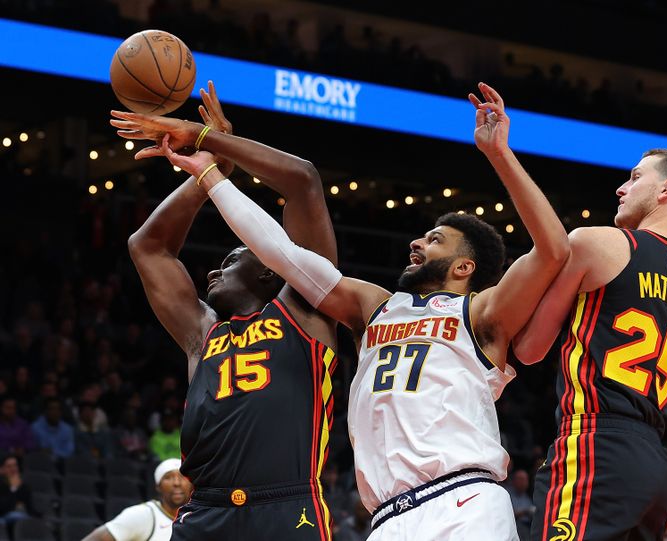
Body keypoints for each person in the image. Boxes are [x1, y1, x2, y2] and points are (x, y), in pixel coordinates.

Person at [159, 82, 568, 540]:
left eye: (435, 240)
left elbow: (553, 249)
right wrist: (211, 177)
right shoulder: (374, 306)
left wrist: (499, 155)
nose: (417, 241)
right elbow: (281, 252)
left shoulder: (483, 312)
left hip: (464, 501)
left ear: (464, 266)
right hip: (388, 517)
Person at [110, 80, 338, 539]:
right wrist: (210, 175)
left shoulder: (307, 307)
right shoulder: (203, 333)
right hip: (205, 512)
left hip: (287, 506)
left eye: (233, 260)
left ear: (270, 272)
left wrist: (208, 140)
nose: (215, 270)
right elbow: (148, 247)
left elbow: (303, 182)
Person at [513, 149, 667, 539]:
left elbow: (529, 349)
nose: (622, 188)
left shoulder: (596, 243)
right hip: (654, 466)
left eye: (636, 177)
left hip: (594, 446)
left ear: (666, 189)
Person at [82, 458, 191, 541]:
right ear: (158, 486)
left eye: (182, 477)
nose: (177, 483)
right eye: (168, 477)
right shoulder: (143, 514)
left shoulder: (198, 516)